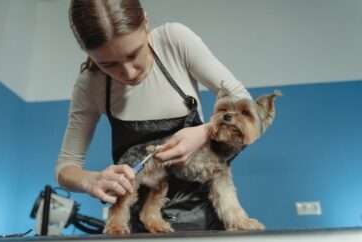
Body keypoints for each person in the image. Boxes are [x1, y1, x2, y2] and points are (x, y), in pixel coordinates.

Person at [56, 0, 252, 232]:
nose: (128, 72)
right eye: (108, 64)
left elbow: (243, 102)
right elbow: (66, 167)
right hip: (139, 225)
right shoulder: (90, 84)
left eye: (133, 54)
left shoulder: (174, 41)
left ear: (146, 22)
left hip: (205, 217)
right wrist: (90, 180)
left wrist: (204, 132)